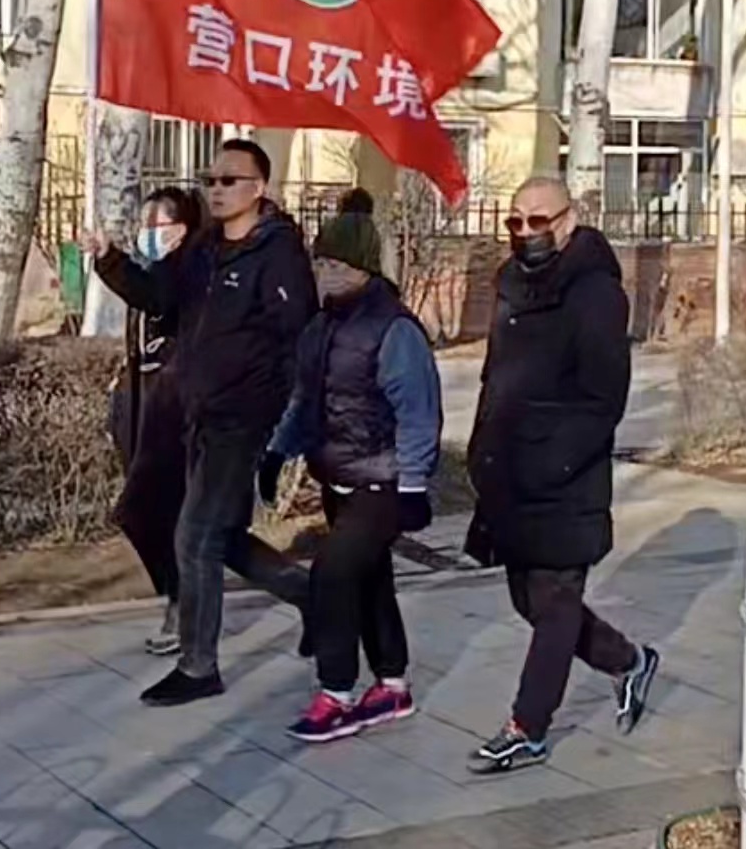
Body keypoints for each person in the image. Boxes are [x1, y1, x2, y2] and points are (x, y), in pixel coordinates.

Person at [82, 138, 316, 707]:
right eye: (210, 180)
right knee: (222, 538)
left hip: (242, 420)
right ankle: (317, 598)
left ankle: (198, 665)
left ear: (258, 189)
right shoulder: (202, 251)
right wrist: (110, 259)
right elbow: (157, 297)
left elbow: (298, 340)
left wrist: (283, 421)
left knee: (194, 536)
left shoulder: (278, 255)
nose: (215, 189)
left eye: (229, 180)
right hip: (198, 414)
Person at [462, 178, 659, 775]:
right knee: (529, 599)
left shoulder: (595, 292)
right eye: (516, 221)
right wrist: (482, 449)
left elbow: (604, 396)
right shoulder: (511, 282)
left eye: (539, 220)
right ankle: (628, 661)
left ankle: (528, 728)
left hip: (564, 474)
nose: (526, 231)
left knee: (554, 601)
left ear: (569, 220)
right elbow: (497, 376)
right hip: (508, 468)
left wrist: (557, 461)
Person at [261, 211, 441, 744]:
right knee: (370, 579)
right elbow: (307, 402)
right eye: (321, 263)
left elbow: (418, 413)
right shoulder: (321, 328)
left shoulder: (395, 330)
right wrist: (278, 453)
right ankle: (392, 684)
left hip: (383, 480)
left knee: (333, 575)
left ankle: (336, 693)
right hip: (339, 473)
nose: (327, 273)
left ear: (365, 268)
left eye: (339, 264)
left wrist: (413, 485)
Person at [108, 185, 201, 659]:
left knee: (146, 512)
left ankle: (183, 604)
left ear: (180, 230)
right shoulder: (160, 271)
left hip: (175, 417)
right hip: (147, 411)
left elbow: (154, 298)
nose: (144, 234)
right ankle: (182, 601)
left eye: (153, 225)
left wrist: (108, 260)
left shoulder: (183, 273)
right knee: (157, 516)